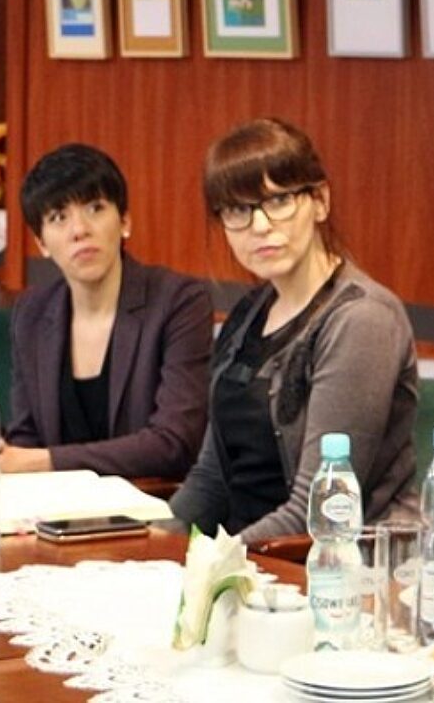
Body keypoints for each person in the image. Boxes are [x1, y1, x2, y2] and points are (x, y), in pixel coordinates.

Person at [170, 118, 418, 542]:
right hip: (247, 557)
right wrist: (147, 547)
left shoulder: (361, 319)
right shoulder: (248, 313)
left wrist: (211, 564)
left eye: (279, 200)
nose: (260, 226)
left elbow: (315, 511)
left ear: (320, 200)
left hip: (331, 562)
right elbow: (210, 479)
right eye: (238, 210)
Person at [1, 144, 212, 479]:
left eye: (95, 208)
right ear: (41, 243)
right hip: (52, 504)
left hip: (148, 502)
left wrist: (47, 461)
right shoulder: (32, 312)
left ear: (124, 221)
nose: (79, 230)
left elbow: (173, 443)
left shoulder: (179, 302)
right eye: (58, 217)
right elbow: (26, 438)